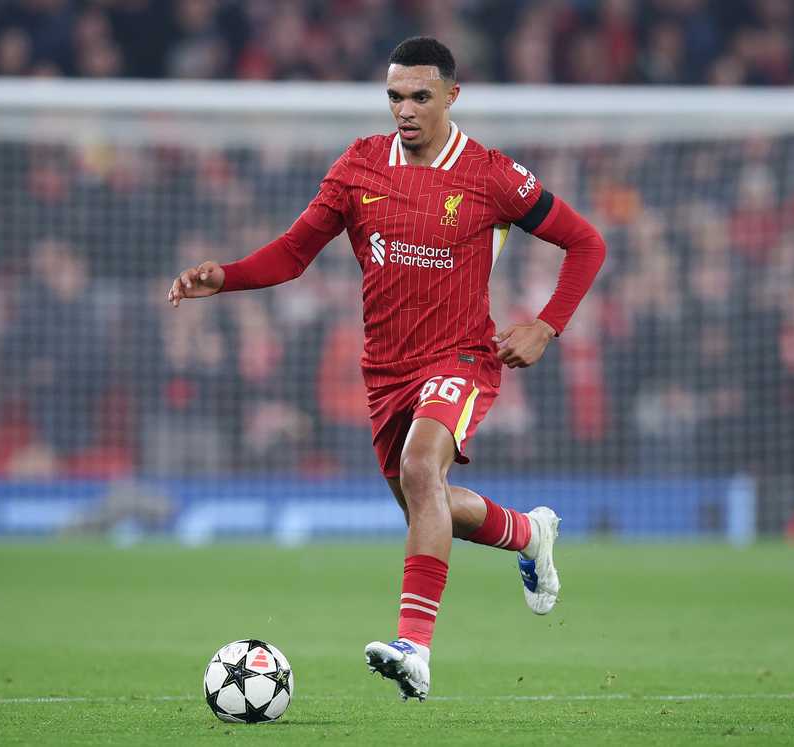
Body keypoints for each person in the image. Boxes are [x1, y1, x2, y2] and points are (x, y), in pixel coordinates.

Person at [168, 37, 606, 701]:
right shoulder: (359, 166)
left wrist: (547, 325)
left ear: (452, 98)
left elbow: (586, 241)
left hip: (462, 357)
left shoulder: (490, 175)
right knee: (425, 501)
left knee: (420, 469)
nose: (406, 109)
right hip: (384, 373)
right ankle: (529, 531)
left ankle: (414, 649)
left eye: (420, 96)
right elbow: (293, 254)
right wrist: (223, 277)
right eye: (396, 96)